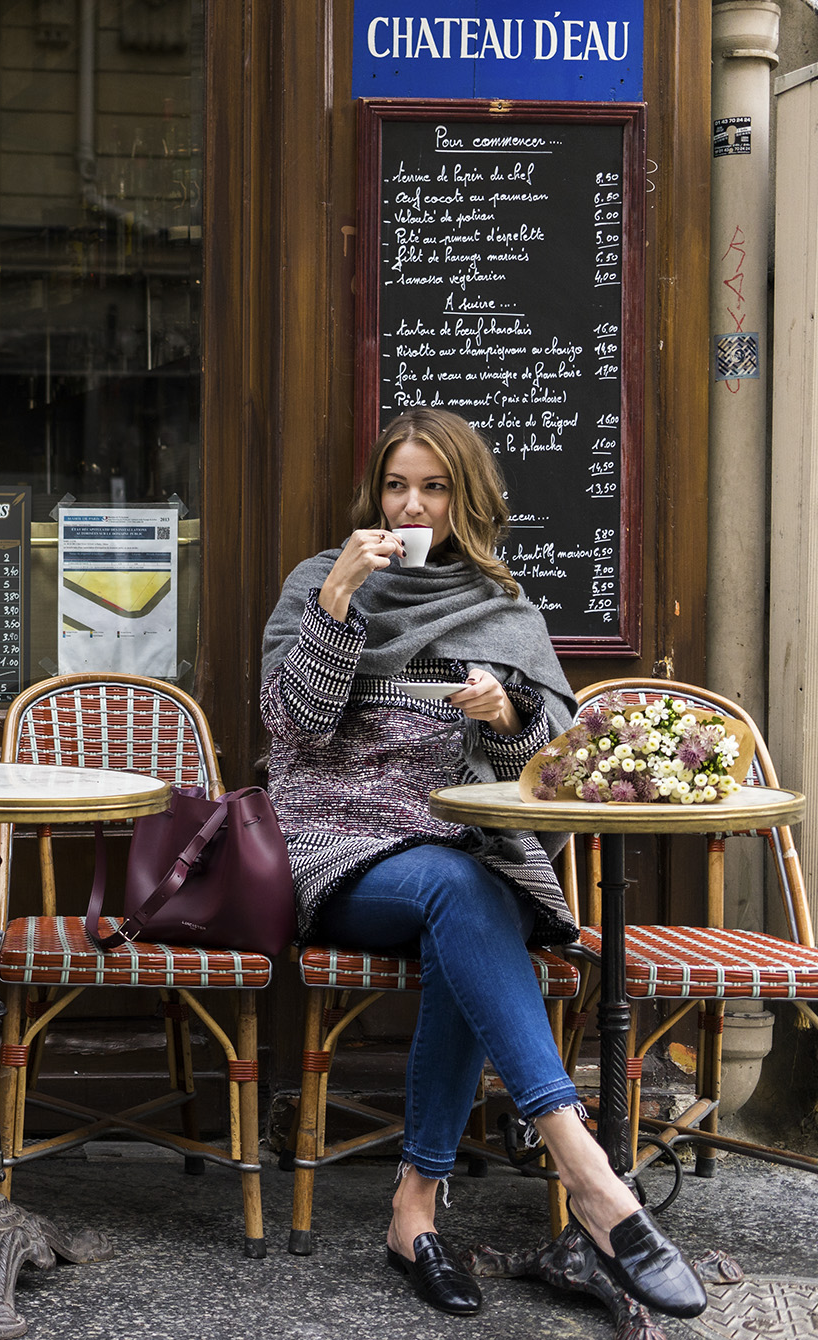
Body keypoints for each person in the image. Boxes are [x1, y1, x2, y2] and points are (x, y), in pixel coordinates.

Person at [260, 407, 706, 1320]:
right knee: (466, 892)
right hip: (328, 847)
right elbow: (294, 729)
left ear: (463, 499)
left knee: (467, 905)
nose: (412, 507)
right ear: (374, 495)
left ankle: (414, 1212)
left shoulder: (503, 608)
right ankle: (591, 1176)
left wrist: (506, 716)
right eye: (396, 486)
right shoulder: (318, 580)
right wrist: (338, 600)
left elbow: (545, 773)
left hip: (457, 848)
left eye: (433, 488)